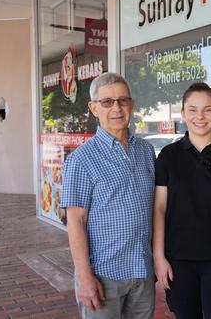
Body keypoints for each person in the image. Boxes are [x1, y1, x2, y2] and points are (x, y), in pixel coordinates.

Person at [62, 72, 156, 318]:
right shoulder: (81, 160)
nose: (116, 108)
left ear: (131, 105)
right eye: (107, 102)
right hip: (104, 276)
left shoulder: (145, 151)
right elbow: (75, 221)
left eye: (123, 100)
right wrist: (84, 277)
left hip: (142, 271)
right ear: (94, 108)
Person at [153, 82, 211, 319]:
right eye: (192, 110)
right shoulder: (169, 156)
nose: (200, 116)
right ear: (183, 113)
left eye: (207, 110)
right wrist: (159, 258)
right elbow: (159, 209)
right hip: (179, 260)